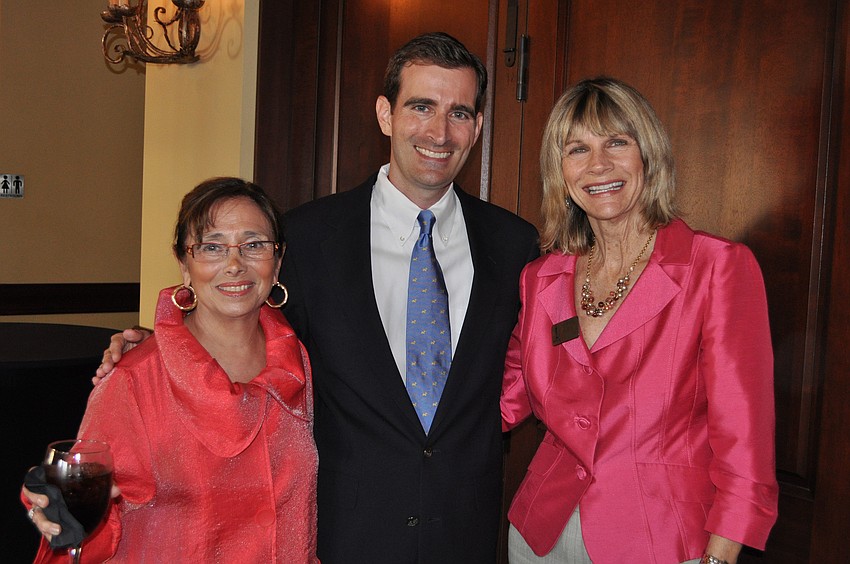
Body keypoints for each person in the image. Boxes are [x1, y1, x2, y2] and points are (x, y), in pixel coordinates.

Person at [66, 33, 539, 563]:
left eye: (459, 113)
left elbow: (530, 368)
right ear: (385, 114)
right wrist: (157, 351)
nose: (438, 131)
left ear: (477, 127)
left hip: (465, 537)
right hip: (340, 537)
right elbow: (244, 332)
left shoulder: (515, 245)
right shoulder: (308, 238)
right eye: (421, 106)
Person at [500, 77, 779, 563]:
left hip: (662, 539)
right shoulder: (540, 277)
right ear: (560, 172)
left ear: (647, 155)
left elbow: (745, 438)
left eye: (616, 142)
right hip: (541, 534)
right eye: (577, 149)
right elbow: (503, 398)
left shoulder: (716, 268)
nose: (599, 164)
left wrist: (722, 553)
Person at [24, 178, 318, 562]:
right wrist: (56, 510)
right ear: (184, 263)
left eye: (254, 245)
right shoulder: (134, 380)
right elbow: (87, 522)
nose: (234, 264)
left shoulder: (298, 362)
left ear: (277, 260)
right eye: (211, 247)